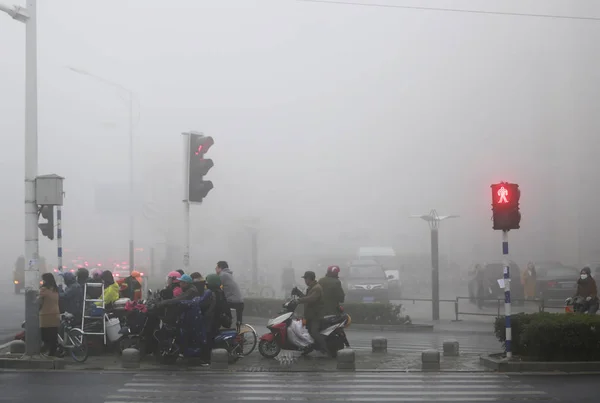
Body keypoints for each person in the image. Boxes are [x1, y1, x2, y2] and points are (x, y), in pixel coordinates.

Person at [293, 271, 327, 356]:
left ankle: (325, 348)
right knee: (306, 333)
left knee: (313, 332)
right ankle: (308, 348)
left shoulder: (317, 288)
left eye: (305, 278)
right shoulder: (311, 287)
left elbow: (311, 299)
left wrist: (299, 300)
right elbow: (306, 298)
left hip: (316, 315)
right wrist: (298, 293)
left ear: (309, 278)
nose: (305, 281)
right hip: (310, 315)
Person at [216, 261, 244, 328]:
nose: (215, 270)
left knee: (222, 316)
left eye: (216, 268)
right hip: (240, 302)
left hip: (232, 302)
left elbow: (215, 285)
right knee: (238, 324)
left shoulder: (223, 275)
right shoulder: (229, 274)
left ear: (220, 268)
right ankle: (240, 337)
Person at [39, 273, 60, 356]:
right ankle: (53, 352)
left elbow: (39, 301)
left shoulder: (43, 290)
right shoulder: (55, 289)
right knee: (53, 335)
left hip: (46, 314)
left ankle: (48, 351)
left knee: (45, 335)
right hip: (55, 313)